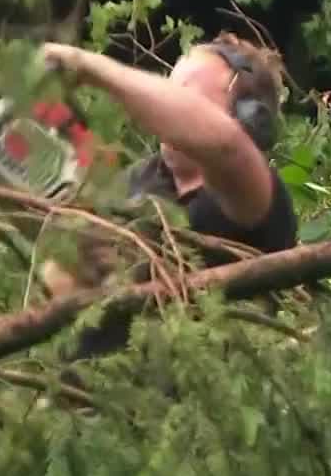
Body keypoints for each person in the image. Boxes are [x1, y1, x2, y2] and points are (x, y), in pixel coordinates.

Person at [35, 32, 300, 358]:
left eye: (185, 95)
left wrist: (90, 68)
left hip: (200, 396)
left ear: (247, 117)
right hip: (93, 393)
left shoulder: (256, 197)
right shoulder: (132, 183)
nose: (165, 102)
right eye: (167, 87)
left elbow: (225, 146)